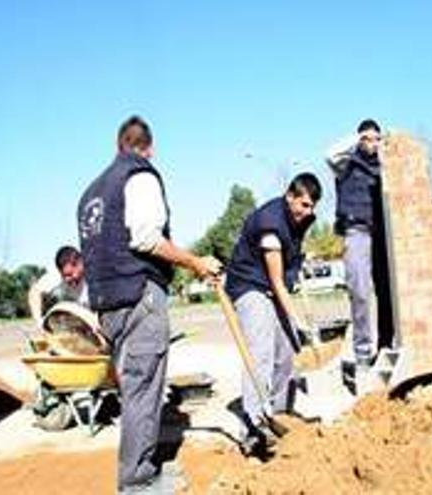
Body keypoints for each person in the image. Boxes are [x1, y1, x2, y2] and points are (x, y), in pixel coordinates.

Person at [77, 115, 221, 493]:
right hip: (139, 294)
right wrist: (196, 262)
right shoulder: (140, 176)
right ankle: (138, 481)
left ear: (118, 144)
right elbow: (146, 239)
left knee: (133, 389)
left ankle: (139, 471)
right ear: (149, 148)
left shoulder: (91, 192)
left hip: (108, 304)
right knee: (143, 388)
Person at [224, 172, 321, 453]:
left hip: (273, 283)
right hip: (250, 284)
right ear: (290, 196)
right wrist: (300, 321)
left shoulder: (301, 218)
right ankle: (253, 426)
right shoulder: (270, 224)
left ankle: (277, 415)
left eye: (312, 206)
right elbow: (275, 280)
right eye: (303, 204)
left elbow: (288, 269)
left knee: (288, 349)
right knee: (261, 352)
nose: (308, 211)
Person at [326, 119, 395, 370]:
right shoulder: (346, 162)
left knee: (389, 292)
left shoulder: (384, 166)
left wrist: (390, 143)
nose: (373, 144)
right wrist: (360, 137)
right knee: (360, 292)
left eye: (377, 139)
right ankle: (363, 353)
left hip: (384, 235)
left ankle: (387, 345)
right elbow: (329, 154)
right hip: (357, 231)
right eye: (368, 139)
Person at [27, 245, 88, 328]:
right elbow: (34, 292)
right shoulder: (57, 276)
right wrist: (39, 321)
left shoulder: (96, 271)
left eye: (70, 274)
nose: (67, 279)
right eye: (64, 275)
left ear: (80, 264)